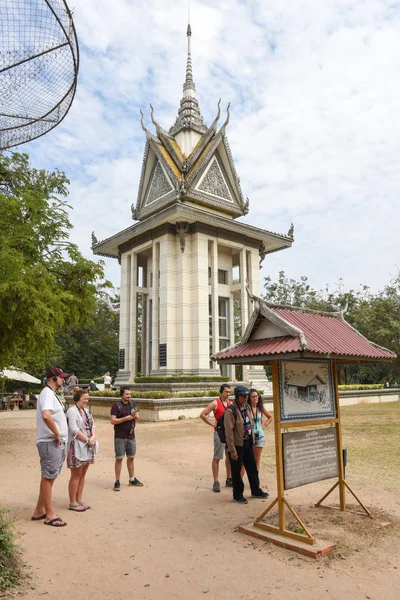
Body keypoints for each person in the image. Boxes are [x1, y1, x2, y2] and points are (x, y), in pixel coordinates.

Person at [31, 367, 69, 527]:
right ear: (53, 378)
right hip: (50, 442)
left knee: (49, 476)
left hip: (52, 442)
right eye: (61, 378)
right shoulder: (47, 393)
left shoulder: (50, 393)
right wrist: (57, 433)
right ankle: (49, 515)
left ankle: (40, 510)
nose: (63, 380)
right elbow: (46, 415)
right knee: (48, 477)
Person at [224, 385, 269, 504]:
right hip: (237, 445)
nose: (245, 398)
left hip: (248, 442)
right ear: (237, 397)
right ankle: (237, 494)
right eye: (243, 396)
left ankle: (255, 490)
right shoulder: (231, 410)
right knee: (236, 470)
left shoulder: (247, 407)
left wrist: (253, 440)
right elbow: (229, 432)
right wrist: (232, 449)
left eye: (246, 396)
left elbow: (251, 423)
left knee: (252, 468)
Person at [66, 388, 96, 511]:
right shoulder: (72, 411)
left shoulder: (87, 411)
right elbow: (73, 429)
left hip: (88, 445)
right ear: (78, 398)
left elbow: (93, 425)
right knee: (76, 475)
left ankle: (79, 499)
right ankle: (72, 502)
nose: (86, 400)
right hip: (77, 445)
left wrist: (93, 437)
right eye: (84, 398)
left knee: (83, 474)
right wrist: (87, 440)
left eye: (87, 398)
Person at [200, 383, 232, 492]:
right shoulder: (215, 403)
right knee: (217, 457)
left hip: (229, 434)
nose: (228, 394)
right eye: (226, 392)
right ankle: (216, 481)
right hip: (219, 433)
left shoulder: (230, 403)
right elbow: (203, 414)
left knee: (229, 457)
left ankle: (229, 478)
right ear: (221, 392)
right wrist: (212, 424)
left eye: (229, 392)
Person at [110, 386, 142, 491]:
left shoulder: (134, 404)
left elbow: (138, 417)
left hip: (131, 435)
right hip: (120, 436)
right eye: (126, 394)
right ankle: (117, 480)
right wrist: (125, 418)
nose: (128, 396)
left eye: (129, 394)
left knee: (131, 457)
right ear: (122, 394)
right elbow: (113, 421)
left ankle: (132, 478)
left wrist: (134, 415)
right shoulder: (116, 406)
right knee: (119, 458)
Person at [247, 388, 273, 474]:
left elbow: (270, 417)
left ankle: (256, 478)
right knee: (248, 459)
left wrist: (264, 426)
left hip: (260, 436)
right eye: (253, 396)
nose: (255, 398)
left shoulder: (260, 408)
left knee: (257, 459)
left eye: (256, 396)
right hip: (250, 436)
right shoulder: (247, 408)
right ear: (249, 398)